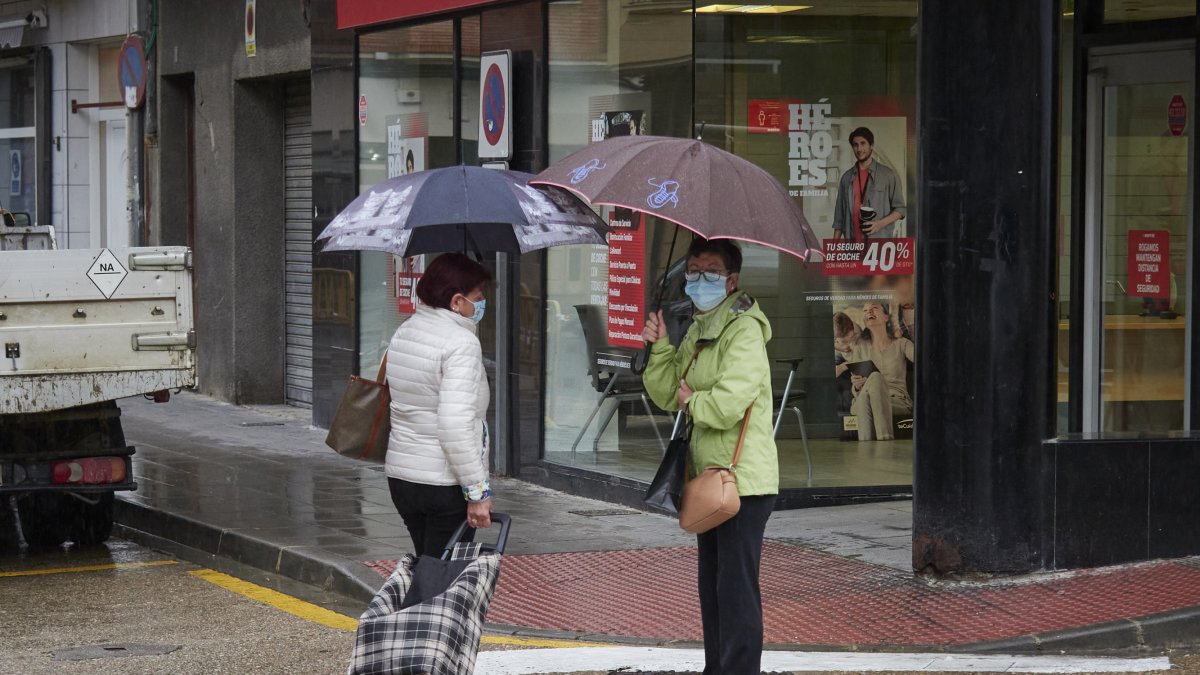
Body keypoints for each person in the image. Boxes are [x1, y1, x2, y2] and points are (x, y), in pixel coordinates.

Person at [641, 238, 779, 675]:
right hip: (707, 478)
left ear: (732, 279)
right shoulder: (702, 325)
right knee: (713, 589)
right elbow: (666, 392)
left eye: (711, 271)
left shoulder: (744, 329)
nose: (700, 279)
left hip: (742, 481)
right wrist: (661, 346)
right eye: (694, 271)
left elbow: (727, 402)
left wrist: (692, 402)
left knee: (736, 590)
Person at [384, 252, 494, 557]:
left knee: (427, 567)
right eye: (478, 297)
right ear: (457, 302)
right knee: (441, 582)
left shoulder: (405, 331)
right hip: (443, 484)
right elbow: (454, 426)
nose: (482, 303)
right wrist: (476, 491)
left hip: (403, 478)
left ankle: (410, 604)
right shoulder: (461, 343)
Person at [849, 301, 914, 441]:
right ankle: (885, 443)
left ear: (886, 317)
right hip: (864, 395)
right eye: (865, 310)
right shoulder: (859, 346)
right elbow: (855, 384)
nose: (869, 312)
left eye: (874, 308)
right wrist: (855, 384)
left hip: (896, 400)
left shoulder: (902, 343)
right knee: (871, 386)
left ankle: (866, 450)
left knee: (874, 383)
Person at [831, 126, 906, 243]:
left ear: (871, 145)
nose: (859, 149)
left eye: (863, 143)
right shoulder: (846, 178)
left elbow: (900, 209)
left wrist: (880, 224)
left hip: (879, 247)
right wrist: (832, 249)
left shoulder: (887, 175)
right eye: (855, 145)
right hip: (852, 247)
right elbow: (839, 220)